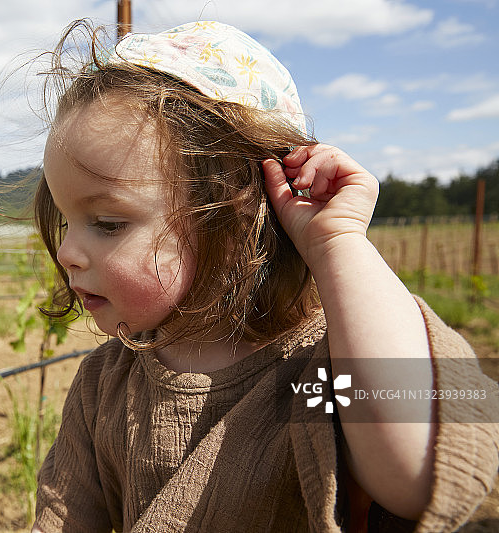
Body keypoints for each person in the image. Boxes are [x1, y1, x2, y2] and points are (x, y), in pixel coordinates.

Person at [29, 20, 499, 532]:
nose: (69, 251)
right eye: (65, 219)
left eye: (108, 223)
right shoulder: (104, 383)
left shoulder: (319, 368)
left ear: (234, 214)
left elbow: (412, 472)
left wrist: (338, 243)